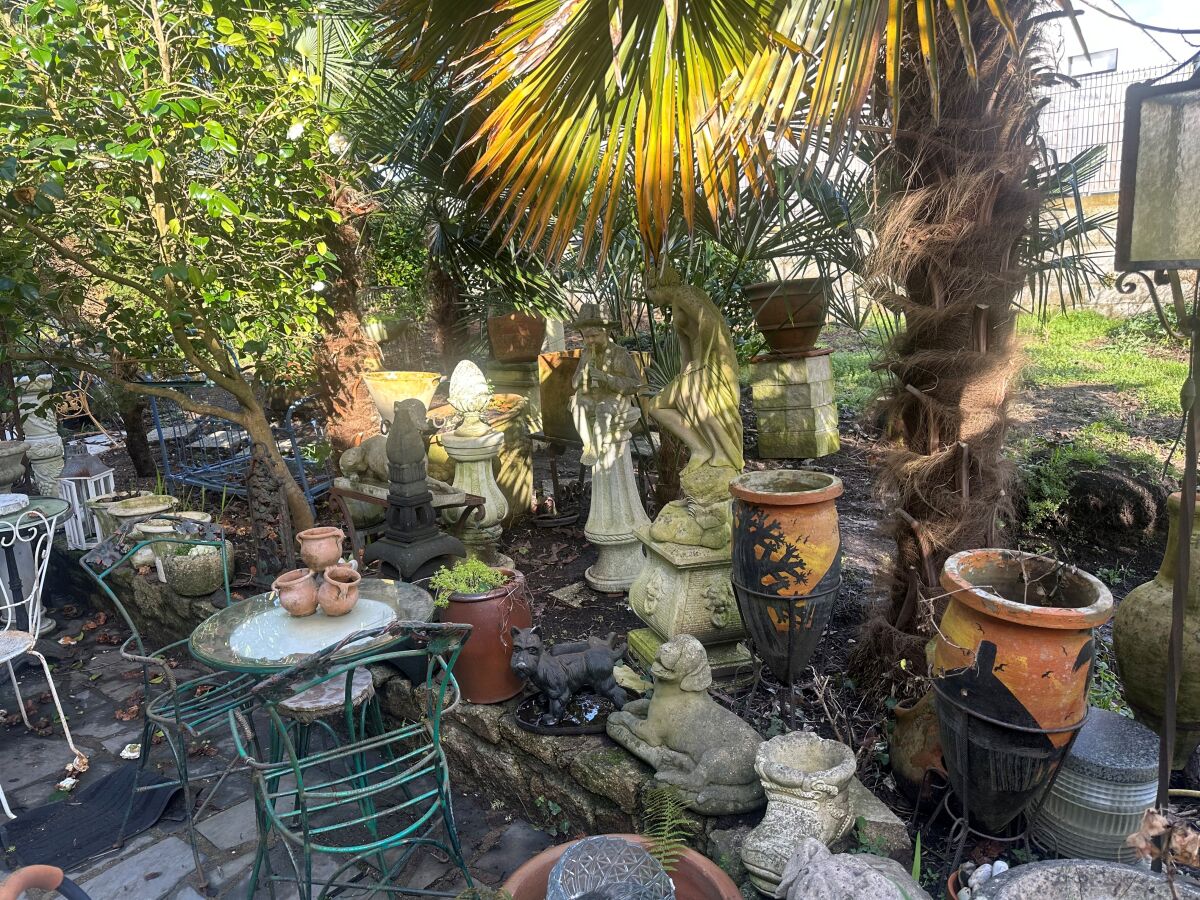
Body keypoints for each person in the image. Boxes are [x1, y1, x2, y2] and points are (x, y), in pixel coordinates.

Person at [569, 303, 644, 467]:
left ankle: (596, 449)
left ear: (607, 332)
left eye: (594, 336)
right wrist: (583, 374)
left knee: (602, 410)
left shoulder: (619, 353)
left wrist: (606, 378)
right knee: (577, 404)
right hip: (592, 396)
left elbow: (636, 384)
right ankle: (588, 445)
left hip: (614, 398)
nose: (590, 341)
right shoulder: (586, 353)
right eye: (586, 337)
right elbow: (574, 384)